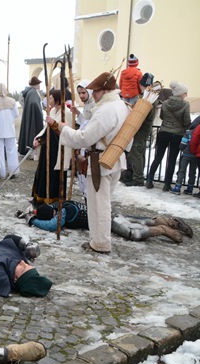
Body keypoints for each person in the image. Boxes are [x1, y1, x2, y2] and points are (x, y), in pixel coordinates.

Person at [57, 72, 131, 254]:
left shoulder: (106, 110)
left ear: (106, 91)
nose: (94, 95)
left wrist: (64, 130)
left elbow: (85, 137)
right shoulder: (122, 105)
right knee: (102, 203)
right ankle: (99, 240)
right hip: (115, 158)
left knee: (99, 205)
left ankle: (100, 243)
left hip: (101, 162)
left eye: (96, 92)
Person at [20, 202, 193, 243]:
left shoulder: (63, 212)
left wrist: (33, 220)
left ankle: (163, 229)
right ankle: (167, 222)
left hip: (105, 219)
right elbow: (46, 209)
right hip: (107, 211)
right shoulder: (61, 204)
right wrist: (31, 212)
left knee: (133, 232)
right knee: (131, 219)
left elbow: (52, 226)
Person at [146, 81, 191, 191]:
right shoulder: (185, 105)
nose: (186, 95)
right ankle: (167, 184)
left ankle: (149, 179)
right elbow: (187, 121)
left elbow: (162, 116)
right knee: (172, 160)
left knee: (158, 157)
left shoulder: (165, 103)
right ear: (180, 93)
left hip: (164, 132)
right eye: (185, 93)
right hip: (177, 134)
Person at [32, 89, 72, 206]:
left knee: (54, 173)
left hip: (58, 149)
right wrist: (39, 139)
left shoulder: (67, 113)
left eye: (51, 98)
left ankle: (53, 200)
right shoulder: (53, 110)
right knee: (43, 171)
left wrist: (53, 123)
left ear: (57, 99)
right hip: (47, 147)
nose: (48, 100)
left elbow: (66, 132)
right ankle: (41, 197)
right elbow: (46, 129)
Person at [124, 73, 157, 187]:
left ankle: (138, 178)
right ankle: (137, 175)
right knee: (140, 152)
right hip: (145, 128)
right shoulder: (151, 96)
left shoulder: (147, 98)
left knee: (136, 152)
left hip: (141, 128)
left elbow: (143, 114)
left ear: (141, 85)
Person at [70, 79, 95, 198]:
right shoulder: (87, 103)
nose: (81, 96)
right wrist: (78, 113)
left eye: (83, 93)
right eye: (79, 93)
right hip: (83, 145)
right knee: (82, 175)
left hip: (90, 145)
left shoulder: (94, 104)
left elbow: (91, 125)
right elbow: (85, 121)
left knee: (88, 178)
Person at [0, 83, 20, 179]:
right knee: (12, 151)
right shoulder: (12, 101)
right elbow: (16, 114)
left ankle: (1, 173)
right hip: (10, 129)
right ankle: (13, 171)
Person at [171, 116, 200, 194]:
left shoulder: (188, 133)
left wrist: (182, 149)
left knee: (182, 171)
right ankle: (190, 188)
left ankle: (177, 187)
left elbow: (182, 144)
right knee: (192, 172)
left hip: (186, 155)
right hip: (195, 156)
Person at [18, 76, 44, 155]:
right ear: (36, 84)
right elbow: (34, 103)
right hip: (34, 115)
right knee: (33, 131)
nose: (39, 85)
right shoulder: (33, 92)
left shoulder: (30, 92)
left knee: (29, 130)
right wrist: (38, 112)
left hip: (31, 114)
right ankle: (32, 151)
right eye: (38, 84)